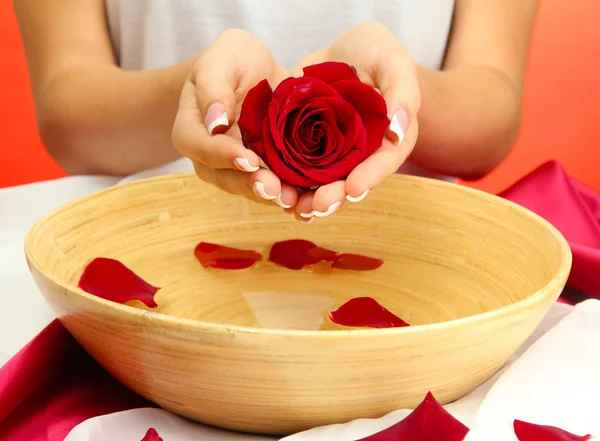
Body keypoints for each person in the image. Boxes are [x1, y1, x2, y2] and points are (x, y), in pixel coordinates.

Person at [13, 0, 537, 222]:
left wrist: (394, 95)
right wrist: (197, 90)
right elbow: (70, 111)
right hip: (152, 264)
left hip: (415, 273)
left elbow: (492, 113)